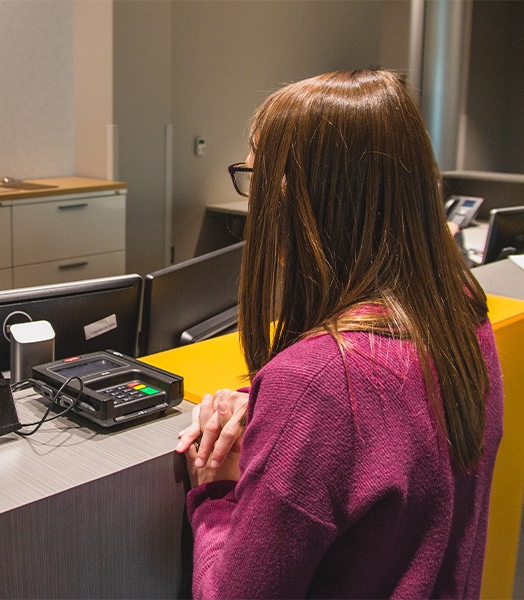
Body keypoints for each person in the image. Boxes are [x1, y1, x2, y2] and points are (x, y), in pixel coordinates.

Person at [175, 69, 503, 598]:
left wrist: (215, 491)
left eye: (254, 178)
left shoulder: (320, 381)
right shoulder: (463, 316)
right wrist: (260, 407)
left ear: (295, 198)